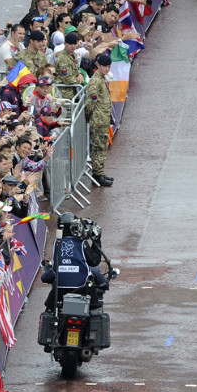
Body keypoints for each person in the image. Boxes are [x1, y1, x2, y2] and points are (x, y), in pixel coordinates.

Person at [41, 213, 110, 312]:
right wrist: (97, 240)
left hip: (60, 290)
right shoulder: (81, 243)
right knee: (96, 307)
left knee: (49, 307)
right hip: (82, 289)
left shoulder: (57, 243)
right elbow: (94, 262)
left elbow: (50, 273)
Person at [85, 53, 113, 187]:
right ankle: (97, 175)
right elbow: (91, 102)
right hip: (98, 120)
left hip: (103, 118)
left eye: (109, 66)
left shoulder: (102, 79)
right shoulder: (95, 81)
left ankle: (100, 172)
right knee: (99, 147)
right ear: (98, 66)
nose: (107, 69)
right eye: (105, 66)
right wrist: (89, 117)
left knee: (102, 147)